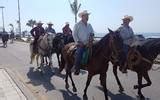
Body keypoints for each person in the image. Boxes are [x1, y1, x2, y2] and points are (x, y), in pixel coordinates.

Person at [72, 10, 94, 75]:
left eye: (88, 16)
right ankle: (77, 68)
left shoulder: (89, 25)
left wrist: (91, 37)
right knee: (79, 52)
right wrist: (78, 42)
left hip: (89, 42)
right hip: (80, 43)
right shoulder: (77, 24)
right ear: (82, 16)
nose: (87, 17)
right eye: (86, 16)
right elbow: (74, 34)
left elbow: (92, 33)